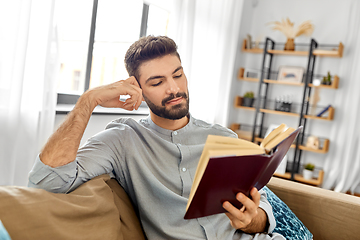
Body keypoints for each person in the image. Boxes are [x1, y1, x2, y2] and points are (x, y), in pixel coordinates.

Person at [28, 36, 284, 240]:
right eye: (157, 81)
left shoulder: (223, 137)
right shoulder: (122, 140)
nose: (173, 88)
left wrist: (253, 220)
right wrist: (88, 100)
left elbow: (262, 216)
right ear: (137, 88)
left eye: (177, 74)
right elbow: (46, 182)